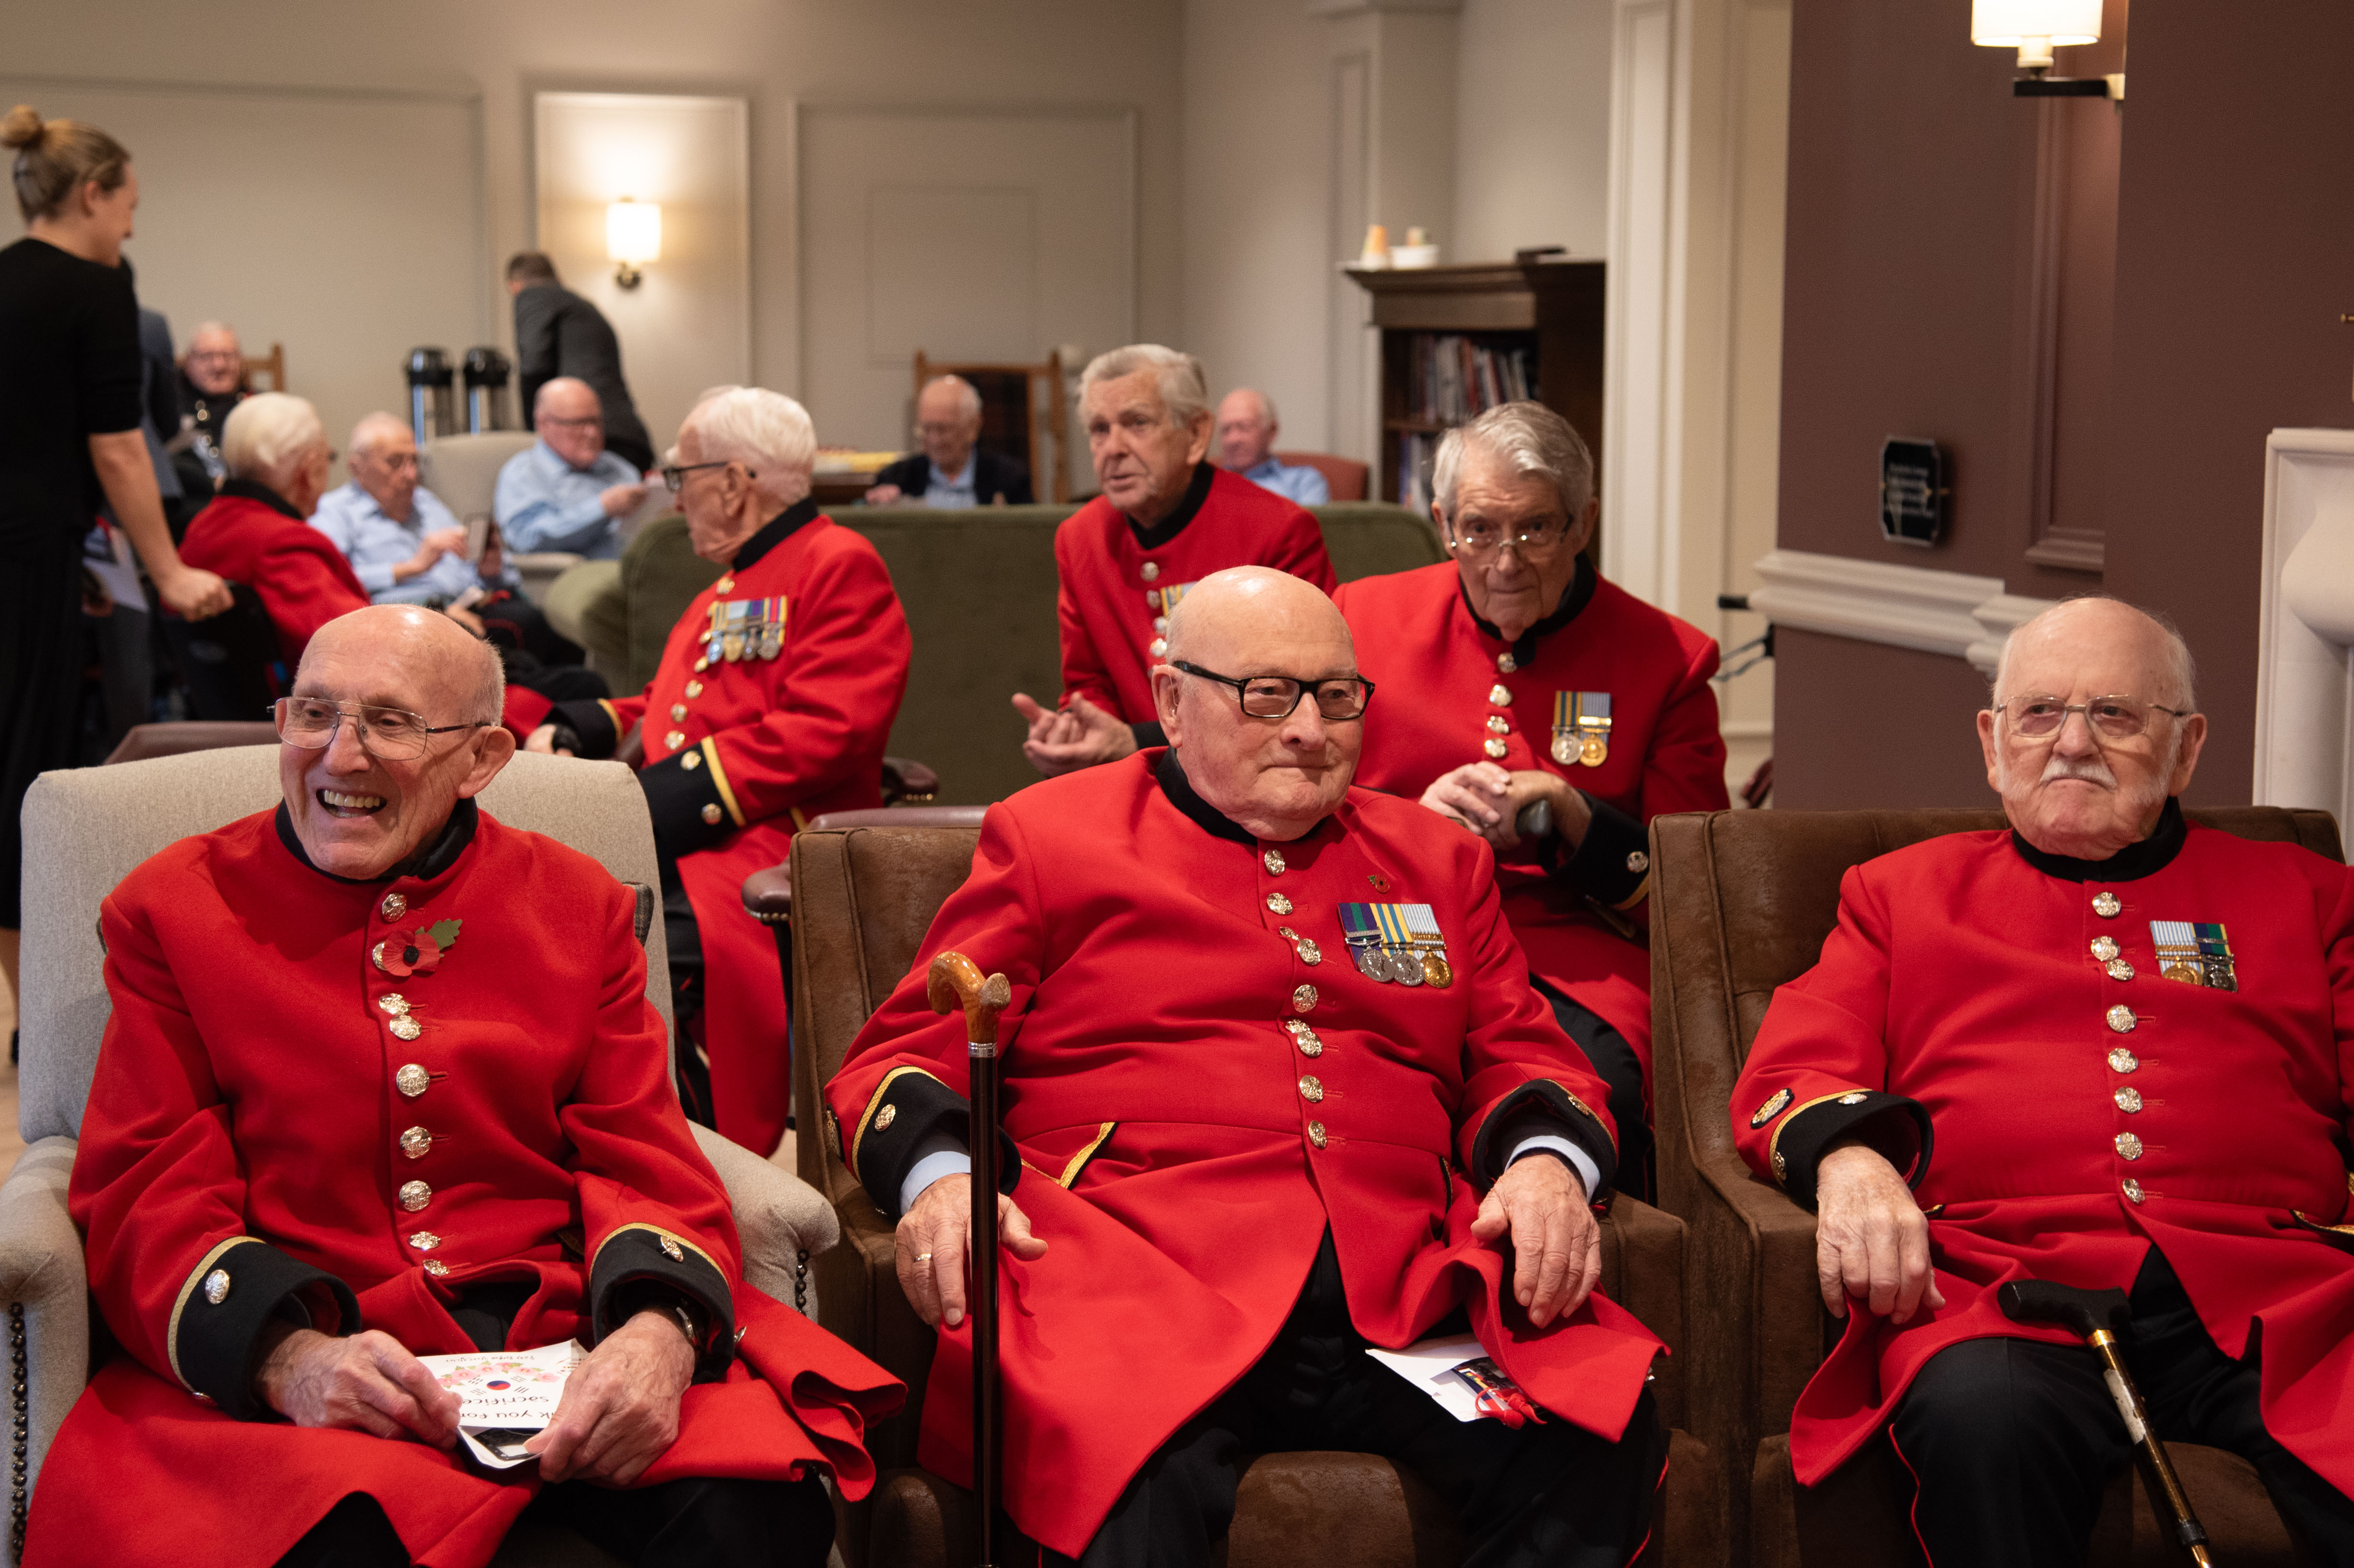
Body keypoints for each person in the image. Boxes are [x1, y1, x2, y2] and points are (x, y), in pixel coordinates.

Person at [31, 604, 898, 1568]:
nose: (338, 756)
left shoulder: (578, 905)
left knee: (760, 1519)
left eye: (389, 723)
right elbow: (146, 1180)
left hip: (559, 1330)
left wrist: (654, 1333)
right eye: (312, 713)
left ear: (481, 758)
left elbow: (642, 1150)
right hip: (317, 1341)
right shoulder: (172, 908)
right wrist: (286, 1357)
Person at [834, 565, 1667, 1568]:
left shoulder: (1436, 861)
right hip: (1138, 1285)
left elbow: (1521, 1051)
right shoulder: (1054, 837)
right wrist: (942, 1180)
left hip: (1401, 1291)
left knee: (1592, 1438)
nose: (1309, 729)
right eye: (1266, 694)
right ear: (1171, 700)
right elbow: (903, 1050)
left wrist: (1542, 1164)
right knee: (1123, 1485)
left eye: (1335, 695)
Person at [1731, 596, 2354, 1566]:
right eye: (2037, 713)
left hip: (2274, 1302)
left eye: (2112, 713)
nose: (2070, 742)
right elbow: (1794, 1069)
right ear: (1990, 742)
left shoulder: (2302, 896)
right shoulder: (1897, 895)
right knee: (1985, 1418)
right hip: (2003, 1287)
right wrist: (1850, 1161)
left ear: (2184, 748)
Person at [1336, 402, 1728, 1194]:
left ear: (1582, 525)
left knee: (1592, 1096)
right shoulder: (1358, 618)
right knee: (1374, 1077)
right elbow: (1293, 801)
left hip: (1566, 949)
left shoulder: (1670, 661)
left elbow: (1693, 898)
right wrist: (1413, 824)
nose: (1505, 560)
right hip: (1397, 921)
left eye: (1536, 530)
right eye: (1479, 530)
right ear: (1444, 524)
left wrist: (1576, 818)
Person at [528, 388, 911, 1157]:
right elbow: (678, 704)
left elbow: (825, 729)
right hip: (695, 832)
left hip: (766, 840)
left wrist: (652, 800)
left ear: (735, 484)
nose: (675, 499)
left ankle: (692, 1159)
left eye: (681, 477)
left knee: (626, 952)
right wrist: (582, 724)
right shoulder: (726, 588)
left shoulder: (837, 564)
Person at [0, 104, 231, 1014]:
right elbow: (120, 447)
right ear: (92, 196)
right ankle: (39, 1014)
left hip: (32, 552)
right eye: (130, 203)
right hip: (26, 559)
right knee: (27, 775)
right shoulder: (95, 286)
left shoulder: (6, 278)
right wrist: (167, 571)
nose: (134, 224)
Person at [1010, 345, 1338, 778]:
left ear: (1197, 434)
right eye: (1099, 429)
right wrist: (1080, 731)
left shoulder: (1277, 530)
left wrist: (1136, 741)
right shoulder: (1079, 538)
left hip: (1255, 781)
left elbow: (1297, 697)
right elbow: (1088, 685)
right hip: (1132, 780)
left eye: (1136, 423)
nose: (1113, 448)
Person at [179, 391, 370, 669]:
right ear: (307, 469)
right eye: (328, 458)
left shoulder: (203, 525)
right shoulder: (281, 542)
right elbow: (360, 646)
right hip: (293, 707)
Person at [508, 251, 654, 472]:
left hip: (590, 438)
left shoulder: (534, 296)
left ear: (514, 286)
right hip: (626, 438)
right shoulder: (580, 306)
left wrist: (535, 433)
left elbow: (534, 365)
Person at [496, 377, 649, 558]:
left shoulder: (620, 469)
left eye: (596, 422)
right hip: (572, 579)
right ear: (543, 423)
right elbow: (525, 539)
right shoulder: (523, 473)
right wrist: (602, 508)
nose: (592, 433)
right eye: (578, 423)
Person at [863, 375, 1033, 506]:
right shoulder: (895, 479)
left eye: (943, 430)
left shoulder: (1010, 478)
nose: (934, 440)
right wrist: (881, 505)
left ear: (973, 428)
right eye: (927, 429)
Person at [1214, 388, 1330, 505]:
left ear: (1271, 431)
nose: (1233, 439)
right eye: (1226, 430)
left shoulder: (1303, 482)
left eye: (1244, 427)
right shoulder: (1206, 485)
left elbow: (1306, 524)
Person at [175, 319, 247, 485]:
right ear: (189, 361)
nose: (219, 365)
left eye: (228, 356)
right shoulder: (170, 402)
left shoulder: (259, 404)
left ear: (240, 359)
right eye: (207, 357)